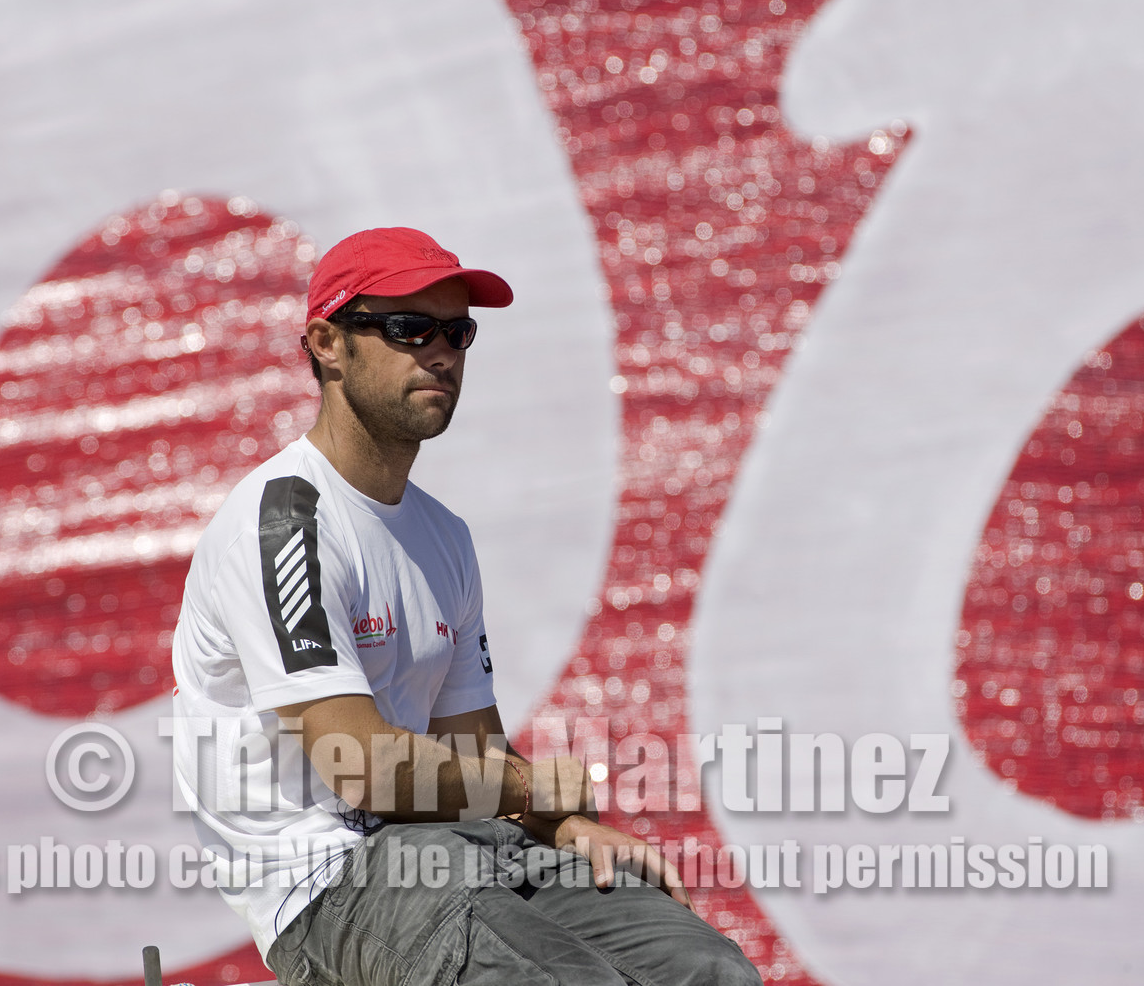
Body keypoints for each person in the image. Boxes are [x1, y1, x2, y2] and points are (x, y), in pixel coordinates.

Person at [171, 227, 761, 985]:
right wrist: (533, 790)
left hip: (457, 845)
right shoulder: (286, 519)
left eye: (458, 332)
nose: (441, 353)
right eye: (410, 328)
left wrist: (568, 822)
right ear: (326, 343)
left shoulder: (442, 534)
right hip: (327, 884)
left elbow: (475, 757)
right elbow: (362, 767)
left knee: (711, 970)